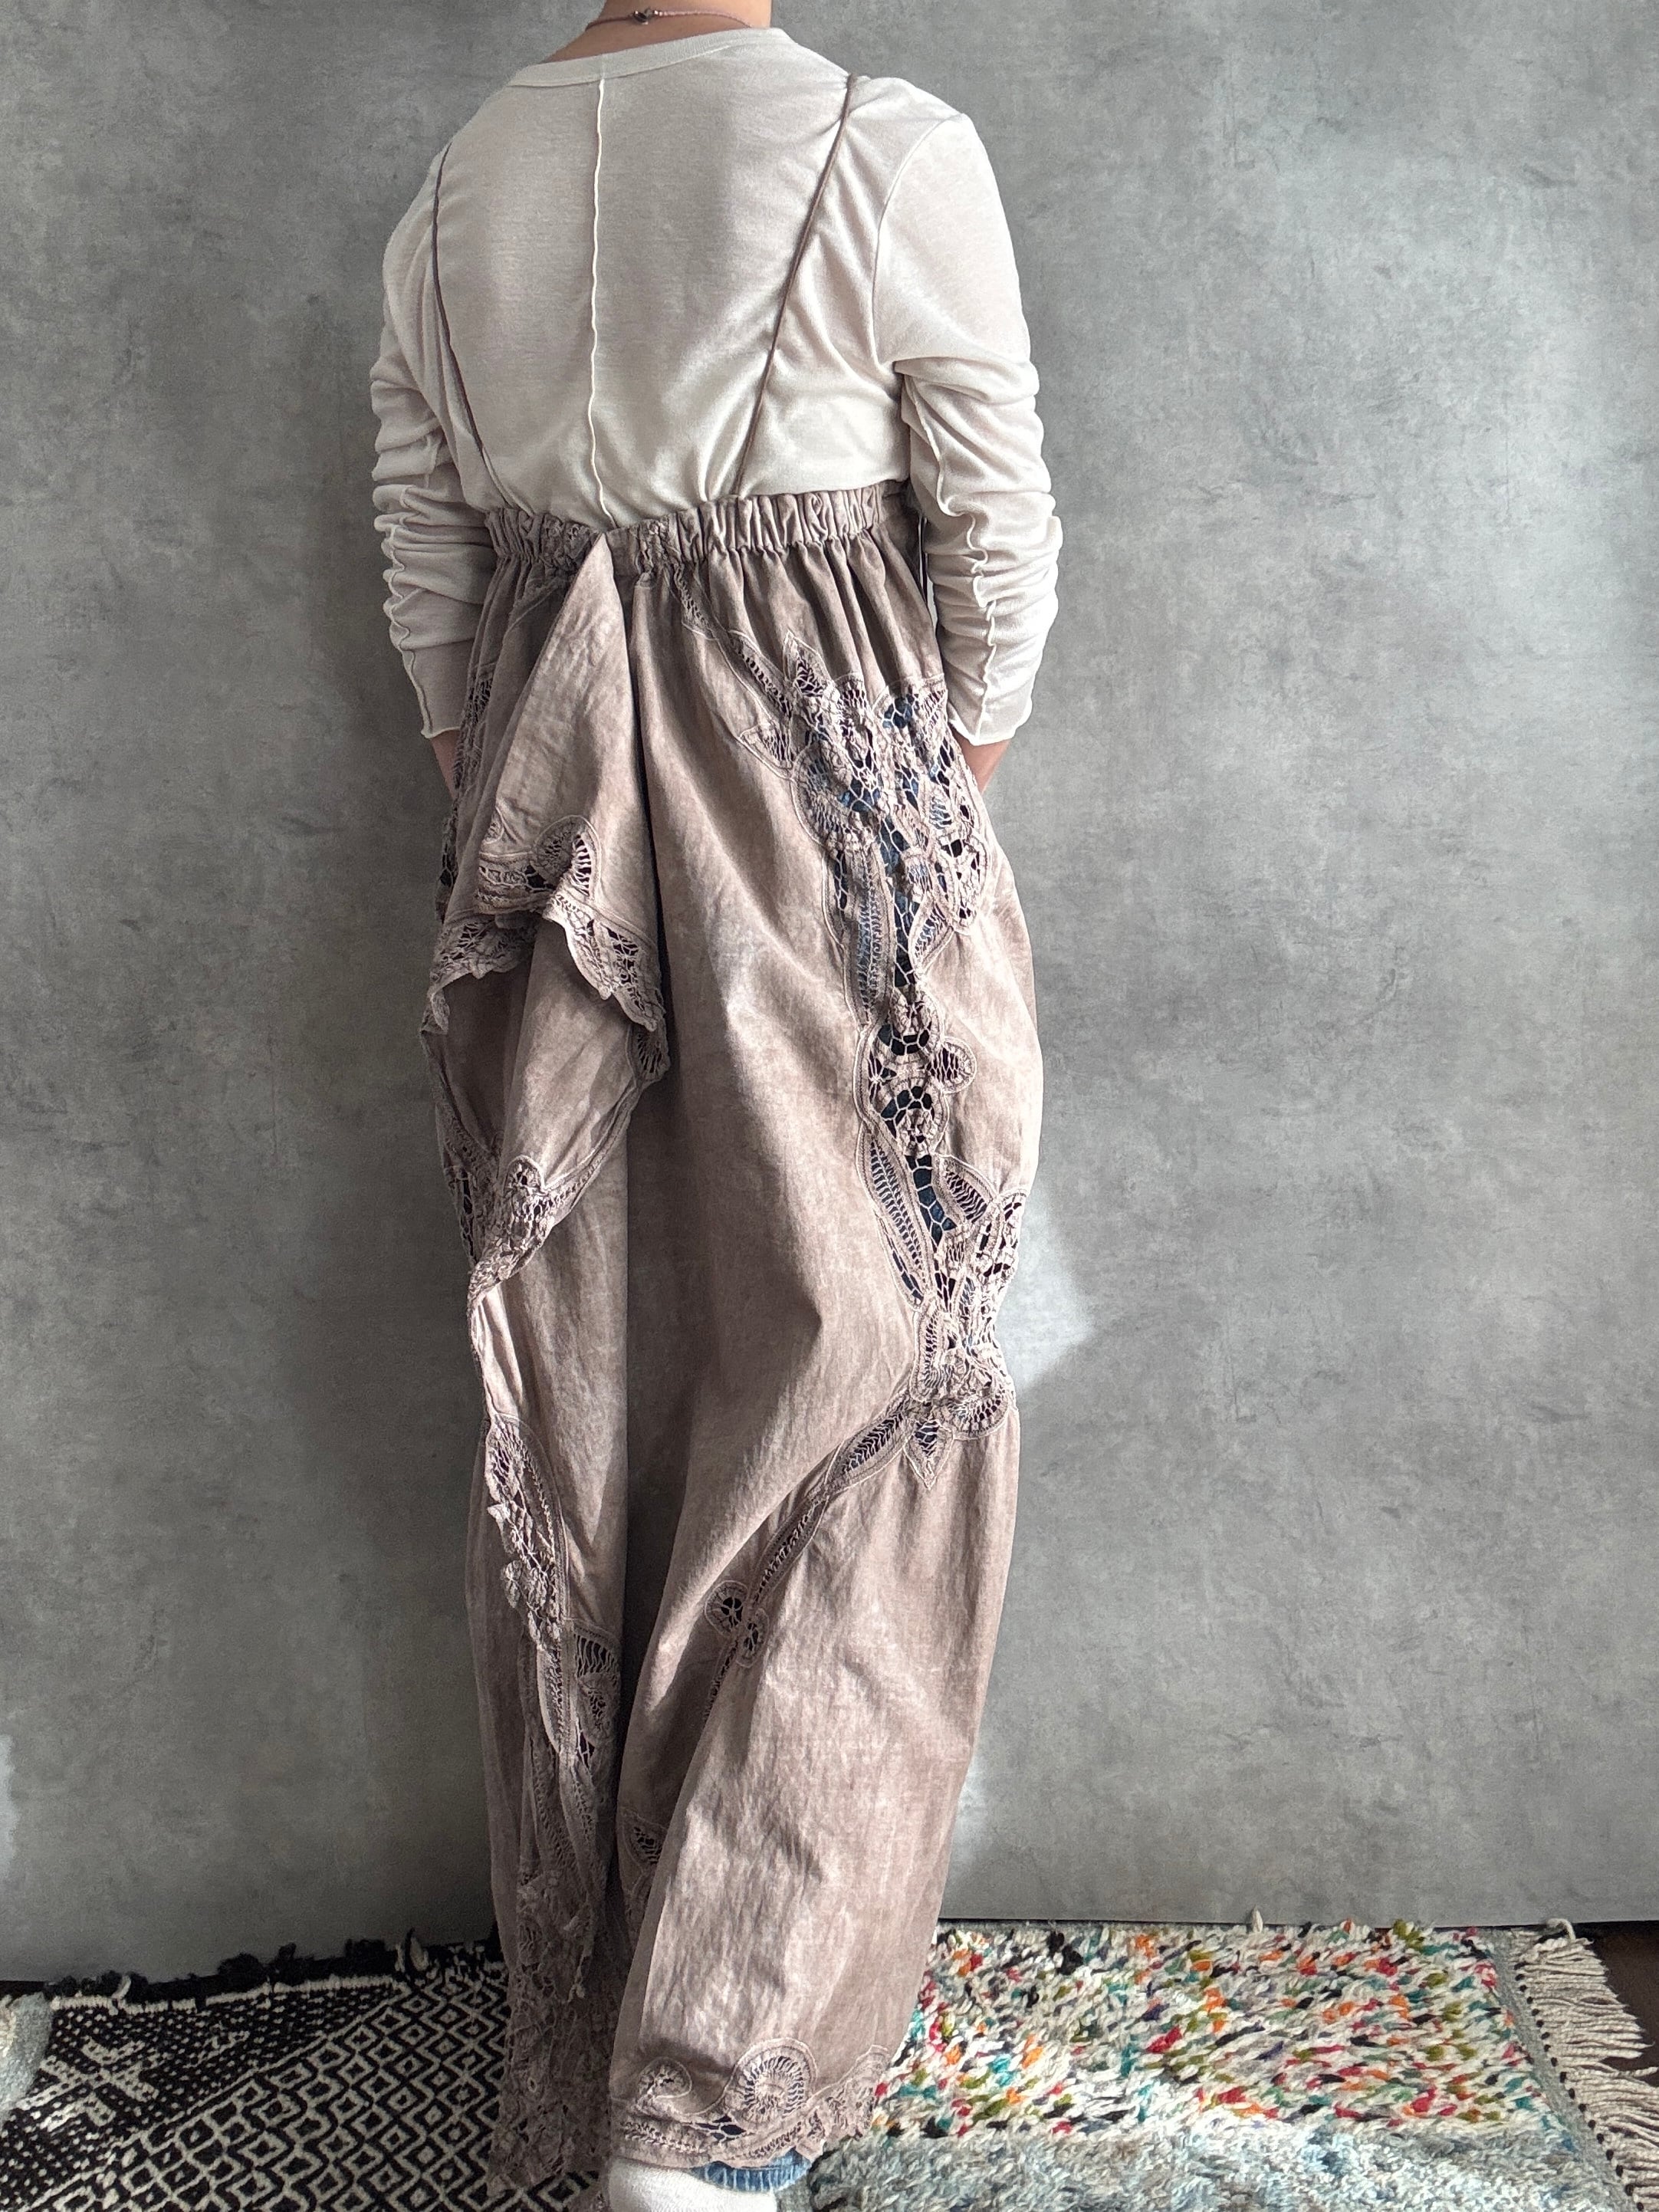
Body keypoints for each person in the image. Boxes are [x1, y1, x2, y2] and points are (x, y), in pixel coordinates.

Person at [369, 7, 1060, 2207]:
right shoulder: (881, 146)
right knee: (877, 1377)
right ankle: (712, 2089)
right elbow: (995, 525)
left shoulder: (462, 177)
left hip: (544, 814)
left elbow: (427, 558)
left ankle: (615, 2042)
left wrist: (521, 791)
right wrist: (927, 789)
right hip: (821, 792)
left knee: (596, 1397)